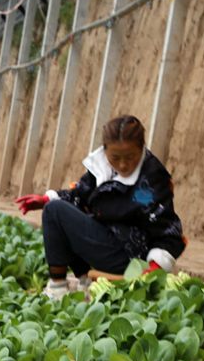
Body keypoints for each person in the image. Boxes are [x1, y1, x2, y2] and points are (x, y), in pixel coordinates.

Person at [14, 115, 186, 299]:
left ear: (142, 148)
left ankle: (57, 289)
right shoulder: (102, 168)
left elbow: (170, 231)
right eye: (115, 157)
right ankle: (85, 282)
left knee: (55, 211)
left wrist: (154, 268)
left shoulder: (152, 179)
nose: (123, 164)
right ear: (105, 151)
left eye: (130, 157)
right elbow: (79, 195)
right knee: (57, 208)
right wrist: (45, 199)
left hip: (130, 259)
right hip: (109, 246)